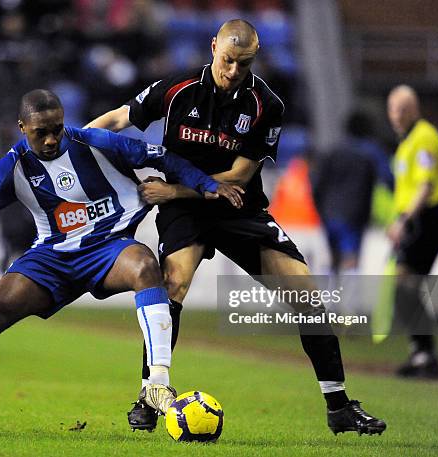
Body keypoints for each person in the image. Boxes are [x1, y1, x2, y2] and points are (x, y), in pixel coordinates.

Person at [87, 19, 386, 435]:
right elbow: (121, 118)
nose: (232, 72)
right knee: (173, 285)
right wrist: (74, 142)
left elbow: (237, 178)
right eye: (227, 60)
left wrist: (173, 192)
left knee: (308, 297)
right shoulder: (175, 89)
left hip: (234, 207)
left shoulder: (267, 105)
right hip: (188, 214)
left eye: (243, 65)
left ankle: (339, 407)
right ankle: (151, 394)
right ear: (213, 47)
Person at [0, 89, 243, 436]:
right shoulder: (9, 169)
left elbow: (164, 158)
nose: (52, 138)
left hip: (108, 248)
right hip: (52, 258)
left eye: (57, 127)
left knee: (146, 268)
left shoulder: (95, 142)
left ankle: (157, 383)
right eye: (41, 132)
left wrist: (207, 184)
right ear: (22, 127)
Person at [386, 85, 438, 379]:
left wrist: (404, 220)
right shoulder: (408, 140)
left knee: (406, 287)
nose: (395, 115)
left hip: (427, 218)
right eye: (392, 109)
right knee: (405, 289)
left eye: (401, 109)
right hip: (415, 220)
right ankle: (422, 354)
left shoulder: (423, 137)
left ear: (414, 109)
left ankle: (426, 355)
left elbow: (425, 186)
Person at [312, 111, 378, 275]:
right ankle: (349, 299)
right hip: (353, 217)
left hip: (329, 214)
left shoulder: (332, 152)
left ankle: (329, 297)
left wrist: (321, 211)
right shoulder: (367, 157)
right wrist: (366, 217)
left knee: (332, 258)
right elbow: (369, 189)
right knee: (351, 259)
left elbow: (317, 185)